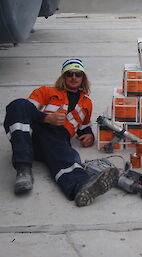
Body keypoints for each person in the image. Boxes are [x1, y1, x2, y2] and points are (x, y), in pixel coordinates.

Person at [4, 58, 118, 207]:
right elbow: (26, 111)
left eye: (78, 74)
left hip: (56, 141)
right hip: (35, 135)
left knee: (60, 149)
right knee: (17, 104)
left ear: (83, 78)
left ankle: (81, 187)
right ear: (63, 77)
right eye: (69, 74)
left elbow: (84, 126)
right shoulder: (46, 91)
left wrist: (89, 135)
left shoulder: (86, 103)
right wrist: (46, 118)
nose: (74, 77)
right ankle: (23, 170)